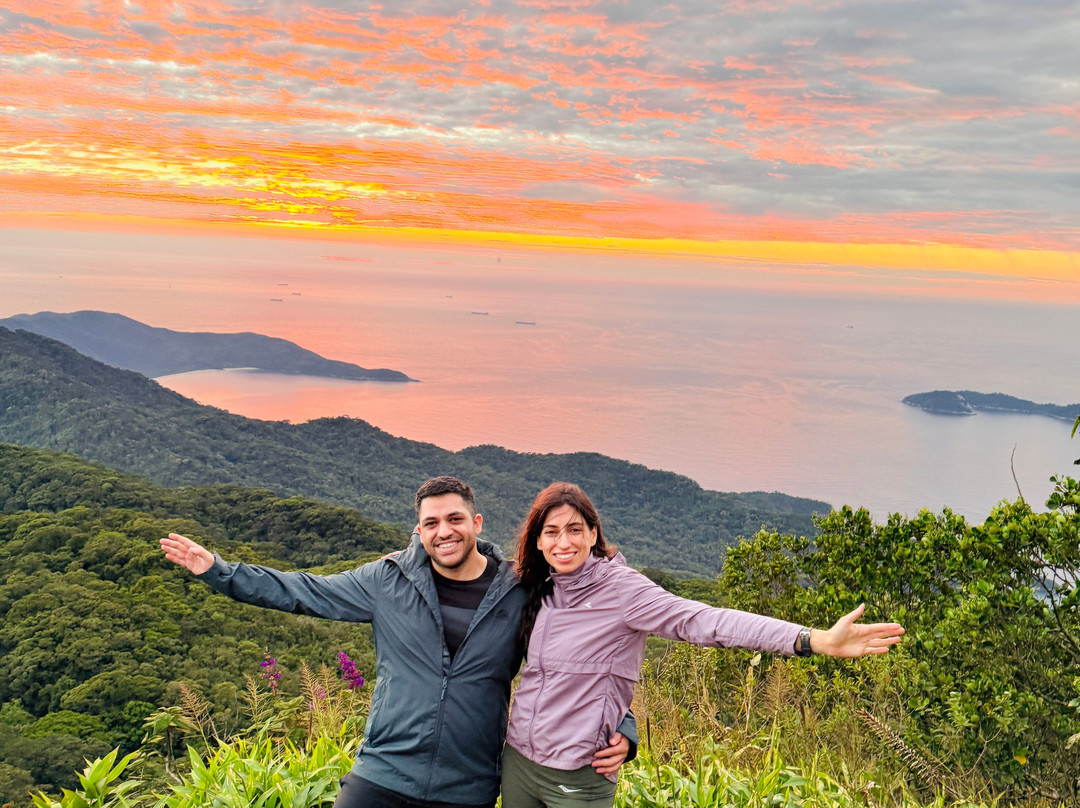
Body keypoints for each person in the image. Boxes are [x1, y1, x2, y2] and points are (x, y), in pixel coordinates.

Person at [160, 476, 633, 808]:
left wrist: (624, 728)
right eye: (431, 523)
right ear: (419, 530)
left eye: (454, 519)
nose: (443, 531)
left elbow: (576, 661)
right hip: (383, 770)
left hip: (467, 784)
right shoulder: (386, 580)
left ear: (477, 523)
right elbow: (302, 591)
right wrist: (218, 571)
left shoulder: (520, 588)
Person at [500, 482, 906, 808]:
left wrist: (810, 639)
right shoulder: (535, 588)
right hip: (517, 764)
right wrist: (626, 726)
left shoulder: (622, 592)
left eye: (574, 529)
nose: (563, 542)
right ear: (537, 541)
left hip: (579, 775)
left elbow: (705, 621)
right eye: (550, 532)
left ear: (593, 533)